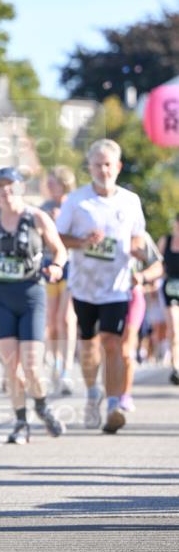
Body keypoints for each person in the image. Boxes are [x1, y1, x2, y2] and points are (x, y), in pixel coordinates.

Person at [56, 139, 145, 434]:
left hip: (117, 285)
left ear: (118, 167)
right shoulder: (76, 200)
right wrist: (81, 242)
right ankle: (93, 392)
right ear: (90, 167)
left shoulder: (130, 201)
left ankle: (113, 405)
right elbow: (59, 238)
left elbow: (137, 238)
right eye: (98, 165)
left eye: (108, 164)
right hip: (84, 286)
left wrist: (138, 253)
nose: (103, 170)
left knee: (113, 343)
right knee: (88, 345)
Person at [0, 167, 67, 444]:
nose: (6, 190)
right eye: (0, 185)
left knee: (32, 366)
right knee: (10, 366)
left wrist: (58, 267)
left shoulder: (37, 217)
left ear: (21, 187)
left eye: (11, 185)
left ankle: (41, 405)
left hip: (31, 296)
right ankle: (21, 422)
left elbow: (59, 249)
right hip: (1, 298)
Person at [41, 167, 78, 395]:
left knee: (67, 318)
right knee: (52, 321)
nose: (51, 186)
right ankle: (54, 362)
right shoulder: (43, 208)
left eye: (54, 182)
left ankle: (66, 368)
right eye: (50, 182)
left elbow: (80, 234)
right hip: (49, 265)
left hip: (72, 265)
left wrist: (62, 224)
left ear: (64, 183)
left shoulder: (73, 205)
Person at [118, 232, 164, 413]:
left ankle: (124, 395)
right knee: (110, 347)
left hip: (132, 295)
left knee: (126, 348)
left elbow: (158, 266)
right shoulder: (99, 225)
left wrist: (142, 276)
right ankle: (109, 394)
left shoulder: (140, 236)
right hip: (103, 296)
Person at [158, 213, 179, 385]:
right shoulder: (166, 240)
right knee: (174, 327)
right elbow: (157, 265)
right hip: (170, 290)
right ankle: (175, 366)